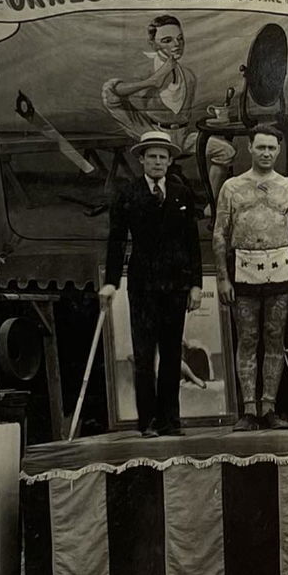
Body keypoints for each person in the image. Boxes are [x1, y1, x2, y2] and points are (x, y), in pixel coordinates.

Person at [100, 130, 204, 437]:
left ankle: (171, 420)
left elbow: (192, 243)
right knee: (144, 355)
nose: (158, 162)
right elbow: (117, 241)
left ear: (170, 160)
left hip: (176, 286)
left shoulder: (181, 193)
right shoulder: (128, 194)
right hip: (142, 285)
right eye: (152, 156)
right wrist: (110, 283)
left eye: (163, 156)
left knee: (172, 354)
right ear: (142, 159)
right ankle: (147, 422)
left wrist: (196, 285)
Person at [212, 124, 288, 431]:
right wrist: (223, 278)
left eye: (271, 148)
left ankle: (269, 407)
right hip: (243, 268)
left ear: (278, 151)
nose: (266, 153)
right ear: (249, 148)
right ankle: (249, 410)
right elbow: (219, 233)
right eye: (261, 147)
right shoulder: (232, 187)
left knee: (275, 339)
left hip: (280, 267)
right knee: (248, 338)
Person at [102, 13, 200, 151]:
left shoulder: (189, 76)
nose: (177, 44)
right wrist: (152, 81)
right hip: (153, 133)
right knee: (110, 91)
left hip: (182, 136)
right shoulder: (143, 71)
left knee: (226, 150)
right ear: (153, 45)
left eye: (180, 39)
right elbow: (112, 93)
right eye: (167, 40)